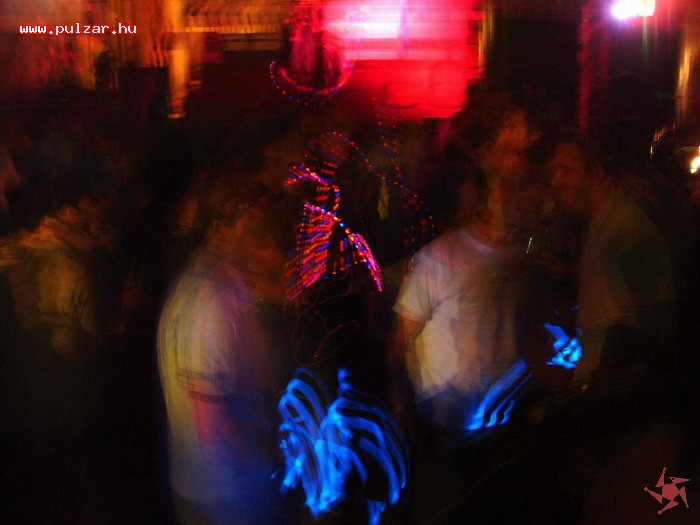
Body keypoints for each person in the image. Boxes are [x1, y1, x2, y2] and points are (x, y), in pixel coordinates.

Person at [158, 175, 292, 524]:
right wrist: (273, 454)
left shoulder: (225, 285)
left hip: (228, 491)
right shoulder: (209, 306)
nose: (271, 243)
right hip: (227, 500)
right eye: (257, 231)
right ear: (219, 231)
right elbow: (214, 433)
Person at [547, 130, 676, 403]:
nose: (556, 181)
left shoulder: (626, 233)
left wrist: (597, 391)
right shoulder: (602, 224)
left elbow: (649, 328)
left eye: (565, 170)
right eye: (554, 171)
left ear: (595, 173)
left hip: (614, 402)